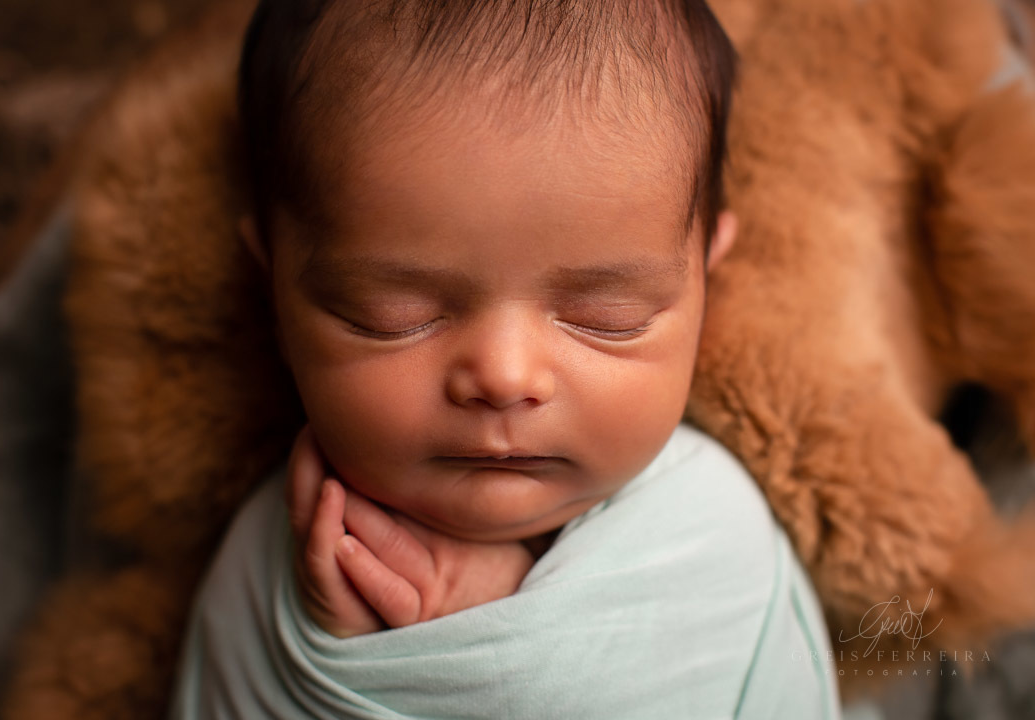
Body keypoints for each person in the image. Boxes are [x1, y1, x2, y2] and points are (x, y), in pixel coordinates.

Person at [169, 0, 843, 717]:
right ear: (272, 285)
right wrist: (347, 656)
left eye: (605, 319)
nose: (506, 377)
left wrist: (479, 626)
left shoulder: (713, 535)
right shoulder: (262, 566)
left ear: (707, 274)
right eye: (391, 317)